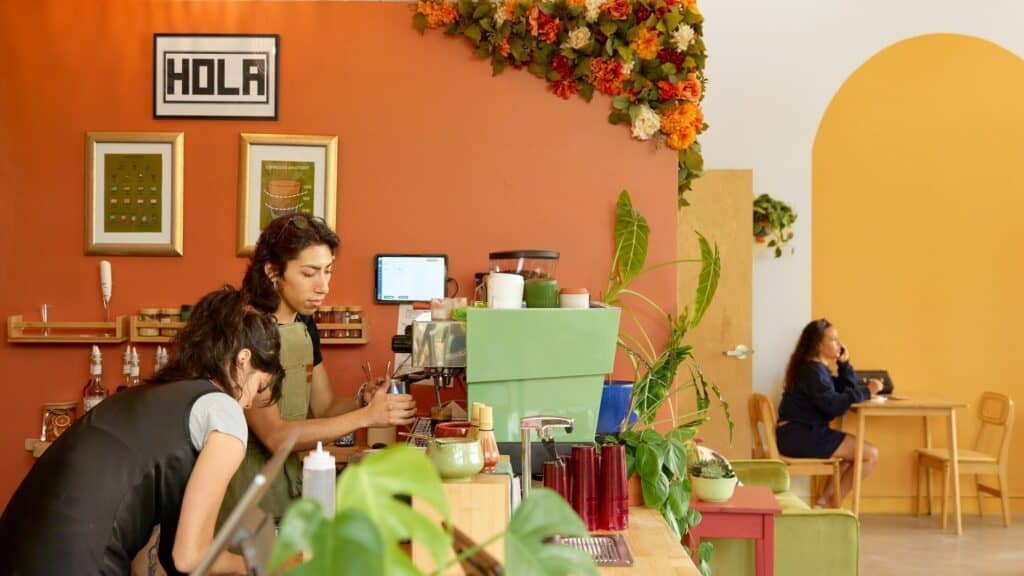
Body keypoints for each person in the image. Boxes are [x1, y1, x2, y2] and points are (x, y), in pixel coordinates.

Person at [0, 287, 284, 575]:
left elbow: (175, 558)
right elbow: (192, 557)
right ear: (243, 359)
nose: (248, 403)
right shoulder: (224, 411)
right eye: (259, 386)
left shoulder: (150, 395)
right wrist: (253, 565)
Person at [221, 213, 417, 522]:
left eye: (328, 272)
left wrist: (363, 398)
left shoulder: (304, 324)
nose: (323, 286)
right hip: (242, 495)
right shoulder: (247, 330)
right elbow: (275, 436)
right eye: (310, 273)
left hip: (287, 488)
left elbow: (324, 407)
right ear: (273, 271)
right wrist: (367, 417)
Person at [776, 318, 884, 508]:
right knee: (870, 454)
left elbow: (843, 390)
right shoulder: (813, 372)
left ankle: (825, 503)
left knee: (851, 454)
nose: (839, 344)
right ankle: (831, 505)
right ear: (818, 344)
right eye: (833, 339)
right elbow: (834, 405)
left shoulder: (815, 369)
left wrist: (844, 365)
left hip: (799, 433)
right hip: (800, 436)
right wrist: (868, 391)